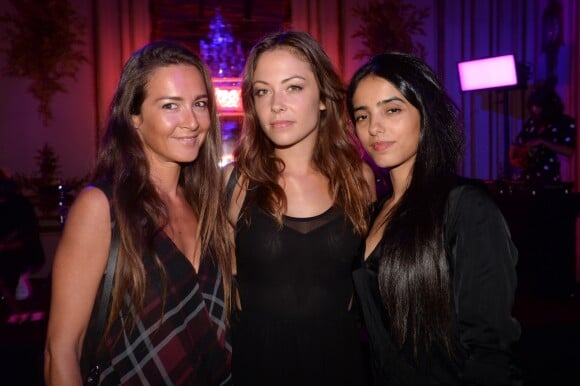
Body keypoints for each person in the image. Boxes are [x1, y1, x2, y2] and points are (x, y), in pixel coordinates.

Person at [44, 41, 233, 385]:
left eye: (200, 104)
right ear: (134, 118)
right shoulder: (102, 207)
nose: (191, 121)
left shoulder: (209, 207)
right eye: (170, 106)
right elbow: (61, 351)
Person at [347, 52, 521, 385]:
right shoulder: (372, 212)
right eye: (362, 115)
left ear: (425, 115)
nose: (374, 127)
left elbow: (491, 350)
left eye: (392, 109)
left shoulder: (466, 208)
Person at [224, 30, 376, 386]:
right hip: (257, 365)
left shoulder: (359, 179)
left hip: (340, 364)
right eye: (263, 91)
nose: (276, 103)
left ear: (323, 97)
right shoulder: (236, 183)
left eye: (293, 87)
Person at [0, 168, 45, 321]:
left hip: (22, 254)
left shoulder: (20, 205)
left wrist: (5, 247)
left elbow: (28, 239)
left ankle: (17, 313)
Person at [509, 86, 576, 184]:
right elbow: (517, 144)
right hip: (527, 178)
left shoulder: (565, 122)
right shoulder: (532, 122)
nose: (535, 109)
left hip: (549, 178)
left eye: (538, 106)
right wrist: (513, 158)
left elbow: (568, 151)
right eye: (533, 106)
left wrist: (543, 142)